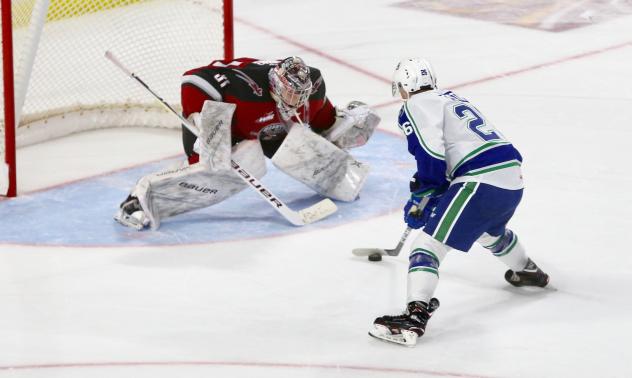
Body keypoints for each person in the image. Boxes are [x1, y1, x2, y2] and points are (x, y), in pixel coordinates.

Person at [369, 58, 549, 347]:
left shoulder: (416, 105)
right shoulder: (450, 98)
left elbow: (432, 154)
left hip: (479, 180)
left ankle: (415, 316)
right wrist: (432, 192)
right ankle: (527, 270)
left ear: (404, 86)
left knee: (426, 247)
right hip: (511, 177)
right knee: (489, 232)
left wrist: (424, 194)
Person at [114, 56, 380, 230]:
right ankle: (138, 200)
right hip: (222, 125)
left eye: (300, 93)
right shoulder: (247, 87)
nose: (295, 99)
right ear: (275, 84)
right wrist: (198, 119)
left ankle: (337, 178)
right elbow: (193, 79)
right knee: (234, 164)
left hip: (266, 125)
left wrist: (341, 127)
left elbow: (323, 121)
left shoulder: (312, 86)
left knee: (299, 141)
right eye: (289, 92)